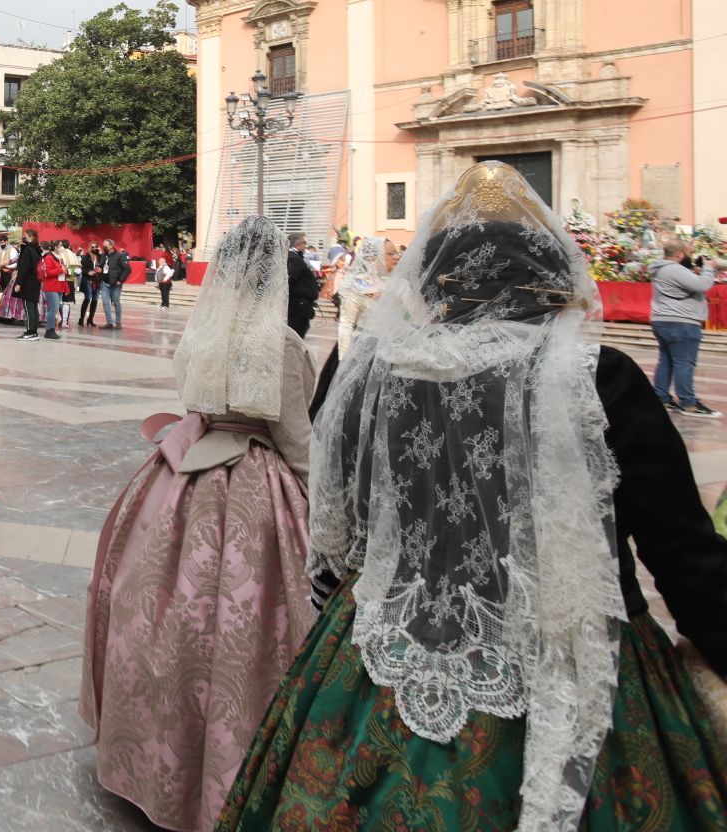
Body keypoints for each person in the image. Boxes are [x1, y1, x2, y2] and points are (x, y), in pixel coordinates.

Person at [220, 162, 727, 832]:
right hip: (564, 658)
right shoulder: (596, 378)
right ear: (551, 279)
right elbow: (680, 551)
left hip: (383, 645)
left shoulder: (365, 370)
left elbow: (336, 510)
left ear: (431, 280)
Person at [83, 216, 317, 832]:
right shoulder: (283, 345)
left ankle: (151, 753)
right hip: (252, 486)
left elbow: (195, 405)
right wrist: (317, 503)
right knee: (242, 624)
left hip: (182, 478)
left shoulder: (205, 329)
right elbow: (296, 439)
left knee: (163, 609)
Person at [649, 239, 718, 416]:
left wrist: (698, 272)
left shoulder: (662, 268)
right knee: (684, 363)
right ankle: (689, 403)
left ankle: (661, 398)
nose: (691, 255)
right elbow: (702, 285)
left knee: (667, 361)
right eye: (689, 252)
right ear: (679, 255)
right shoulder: (674, 268)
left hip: (664, 320)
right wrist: (709, 268)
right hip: (681, 322)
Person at [335, 236, 397, 355]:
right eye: (391, 253)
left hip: (391, 349)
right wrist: (344, 360)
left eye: (396, 253)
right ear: (373, 258)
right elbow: (346, 325)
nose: (397, 257)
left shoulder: (398, 283)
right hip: (362, 350)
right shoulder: (357, 285)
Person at [284, 232, 319, 338]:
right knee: (296, 335)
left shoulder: (295, 257)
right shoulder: (294, 258)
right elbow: (289, 279)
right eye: (304, 243)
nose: (305, 246)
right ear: (298, 244)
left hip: (300, 303)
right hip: (299, 304)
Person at [15, 230, 44, 340]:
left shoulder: (28, 250)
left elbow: (24, 268)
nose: (24, 238)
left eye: (26, 236)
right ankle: (33, 331)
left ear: (31, 237)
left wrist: (19, 283)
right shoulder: (37, 249)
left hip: (28, 282)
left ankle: (30, 331)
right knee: (33, 307)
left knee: (28, 308)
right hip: (35, 282)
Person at [100, 239, 131, 331]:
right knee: (105, 303)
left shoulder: (119, 256)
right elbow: (102, 267)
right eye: (103, 245)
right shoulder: (103, 256)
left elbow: (127, 269)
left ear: (111, 246)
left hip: (115, 284)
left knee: (116, 302)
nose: (104, 247)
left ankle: (118, 322)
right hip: (105, 283)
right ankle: (109, 323)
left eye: (105, 245)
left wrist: (120, 280)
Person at [38, 241, 66, 339]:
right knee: (53, 308)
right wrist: (61, 270)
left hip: (58, 286)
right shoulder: (49, 257)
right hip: (51, 286)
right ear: (55, 247)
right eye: (60, 245)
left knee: (54, 308)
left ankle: (50, 330)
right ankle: (50, 330)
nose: (62, 247)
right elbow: (48, 272)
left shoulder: (59, 258)